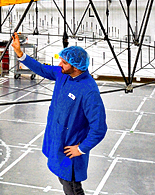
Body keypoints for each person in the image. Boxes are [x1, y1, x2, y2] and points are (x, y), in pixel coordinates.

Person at [11, 33, 107, 195]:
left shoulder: (89, 91)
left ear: (76, 66)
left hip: (70, 148)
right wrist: (20, 53)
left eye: (64, 62)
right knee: (63, 181)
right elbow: (41, 69)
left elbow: (99, 128)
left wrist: (81, 149)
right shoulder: (63, 74)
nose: (59, 64)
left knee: (72, 186)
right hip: (58, 140)